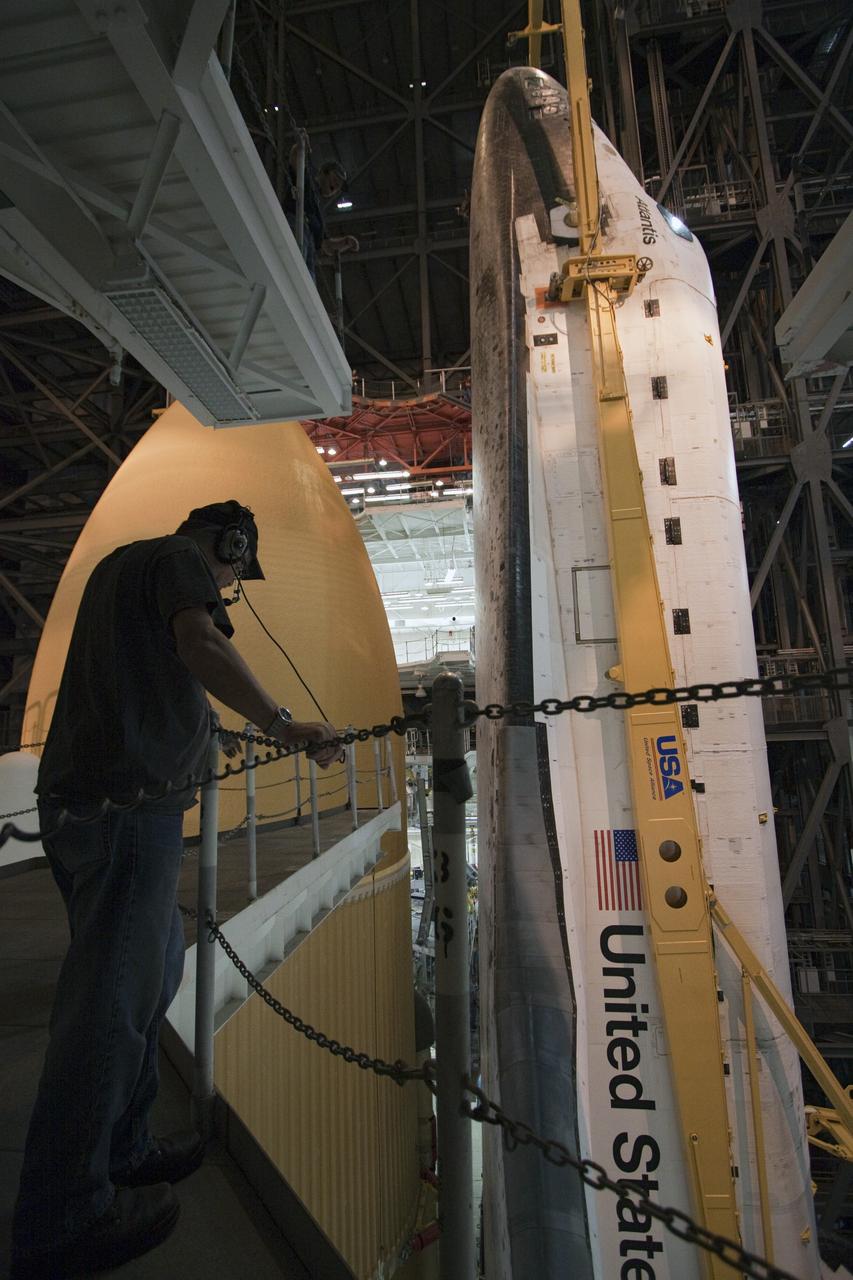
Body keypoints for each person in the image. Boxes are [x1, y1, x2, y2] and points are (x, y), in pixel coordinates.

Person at [11, 500, 341, 1279]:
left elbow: (156, 676)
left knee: (150, 976)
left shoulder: (120, 568)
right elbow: (197, 643)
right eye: (236, 569)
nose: (230, 587)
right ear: (227, 544)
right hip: (127, 812)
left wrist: (208, 734)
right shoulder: (179, 562)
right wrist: (280, 722)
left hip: (104, 807)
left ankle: (123, 1150)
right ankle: (65, 1213)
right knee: (109, 1009)